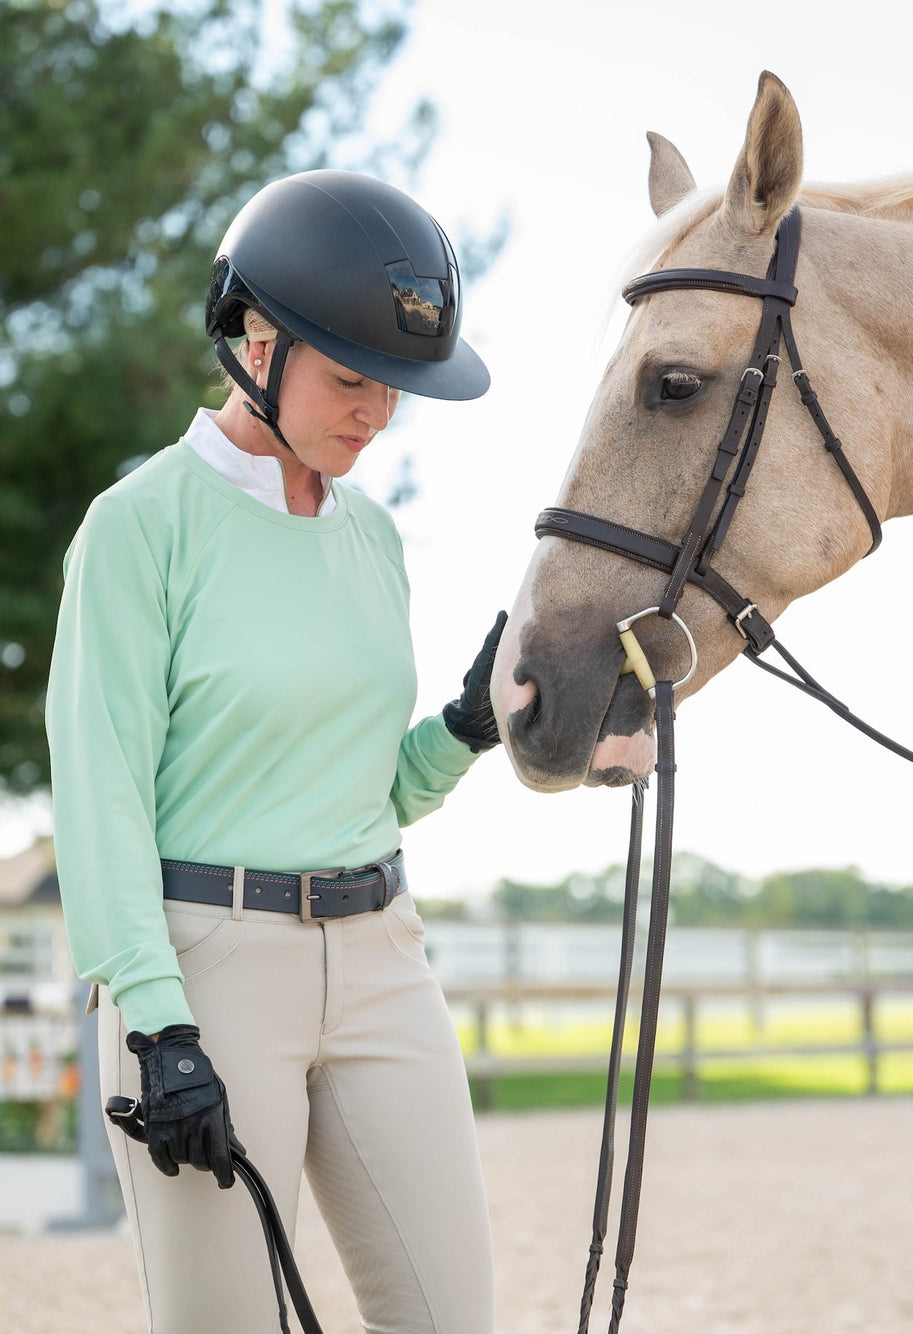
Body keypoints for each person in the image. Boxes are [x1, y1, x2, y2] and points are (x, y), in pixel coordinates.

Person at [45, 169, 504, 1334]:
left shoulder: (373, 536)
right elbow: (100, 792)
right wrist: (158, 1022)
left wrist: (463, 726)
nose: (378, 414)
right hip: (207, 974)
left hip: (384, 957)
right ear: (256, 339)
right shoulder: (140, 527)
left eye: (394, 388)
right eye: (352, 379)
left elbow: (366, 787)